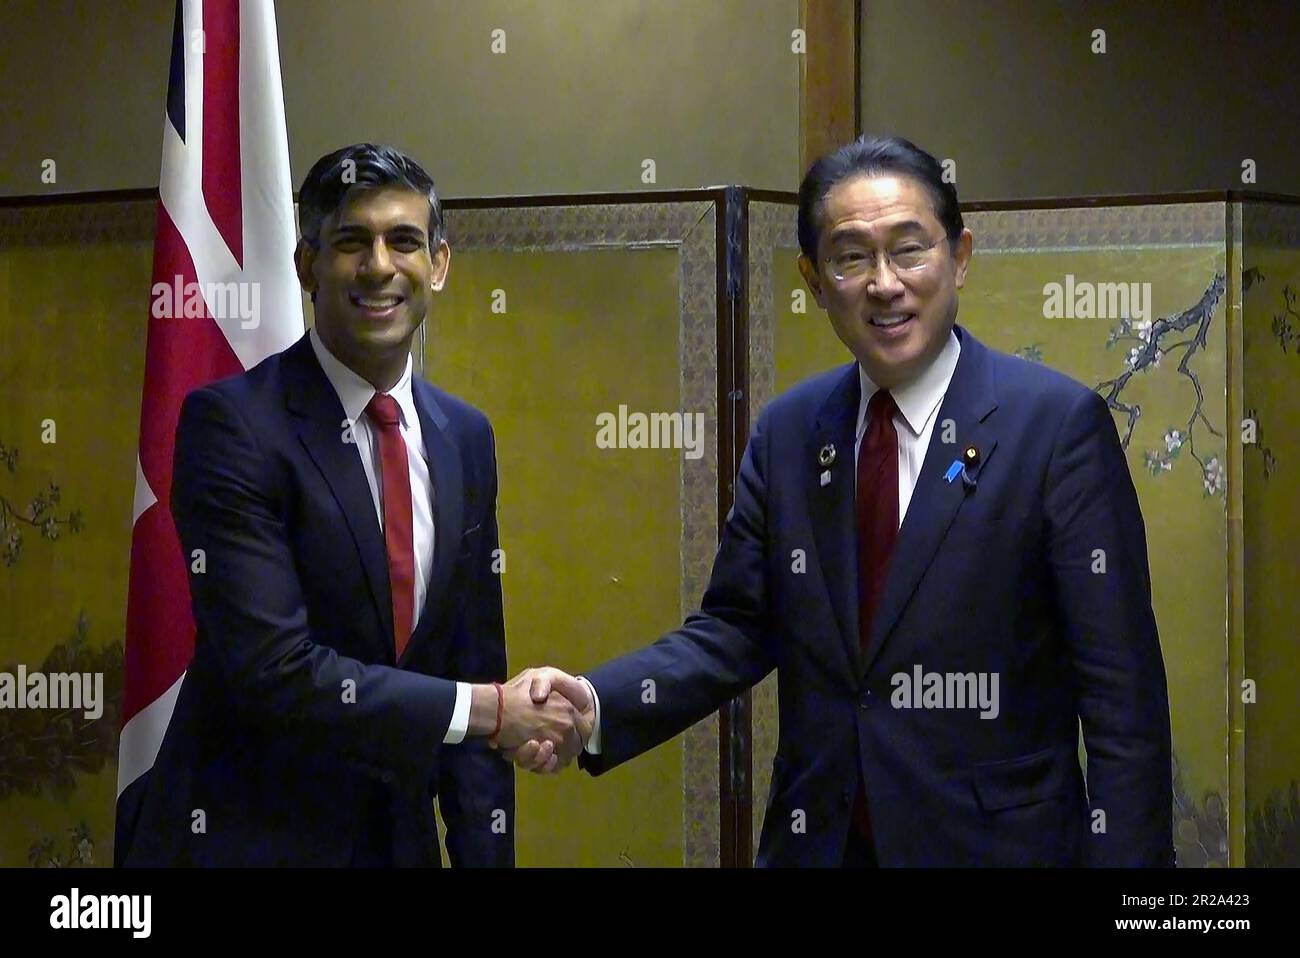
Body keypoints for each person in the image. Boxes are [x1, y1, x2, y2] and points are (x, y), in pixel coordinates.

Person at [509, 135, 1174, 868]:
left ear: (960, 257)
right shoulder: (791, 432)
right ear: (814, 280)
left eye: (909, 250)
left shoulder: (1054, 428)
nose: (884, 284)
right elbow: (733, 630)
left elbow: (1123, 705)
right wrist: (592, 703)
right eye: (851, 257)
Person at [117, 144, 587, 867]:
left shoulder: (465, 436)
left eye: (403, 240)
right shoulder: (233, 425)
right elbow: (276, 669)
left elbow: (473, 657)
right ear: (307, 267)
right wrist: (489, 710)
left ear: (439, 265)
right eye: (350, 242)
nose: (378, 267)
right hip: (244, 844)